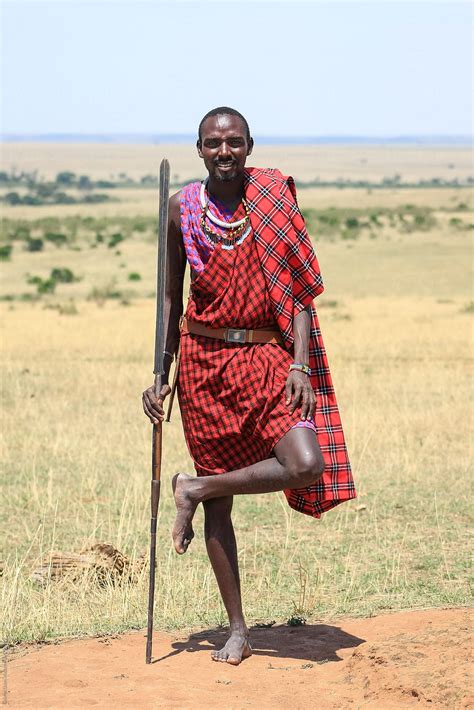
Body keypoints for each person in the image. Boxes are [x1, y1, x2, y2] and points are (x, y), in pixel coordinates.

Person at [142, 107, 355, 665]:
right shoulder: (180, 209)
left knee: (307, 461)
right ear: (199, 149)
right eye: (214, 144)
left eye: (234, 142)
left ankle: (193, 488)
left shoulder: (273, 200)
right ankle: (237, 628)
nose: (225, 152)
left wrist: (300, 365)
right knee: (222, 509)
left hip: (265, 356)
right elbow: (169, 296)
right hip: (203, 364)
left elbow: (300, 289)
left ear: (250, 145)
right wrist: (159, 375)